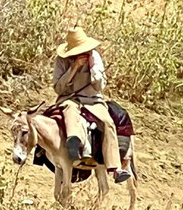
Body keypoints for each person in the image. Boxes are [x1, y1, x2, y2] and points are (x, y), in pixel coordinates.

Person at [53, 28, 132, 184]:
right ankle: (73, 143)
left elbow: (99, 86)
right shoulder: (61, 61)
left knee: (108, 123)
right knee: (69, 112)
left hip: (92, 99)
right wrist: (74, 68)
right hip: (69, 98)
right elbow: (58, 88)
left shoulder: (94, 56)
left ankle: (115, 168)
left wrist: (92, 67)